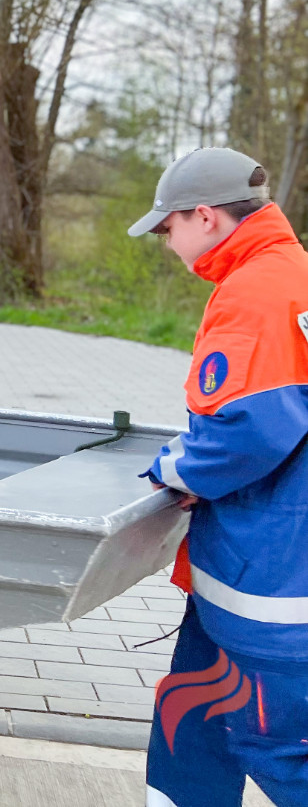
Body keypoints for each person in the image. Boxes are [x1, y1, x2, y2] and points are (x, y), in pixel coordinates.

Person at [132, 148, 308, 806]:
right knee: (192, 716)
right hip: (244, 572)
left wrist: (173, 468)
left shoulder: (255, 290)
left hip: (268, 582)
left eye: (166, 227)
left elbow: (250, 428)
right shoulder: (292, 272)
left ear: (204, 216)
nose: (165, 241)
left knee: (277, 748)